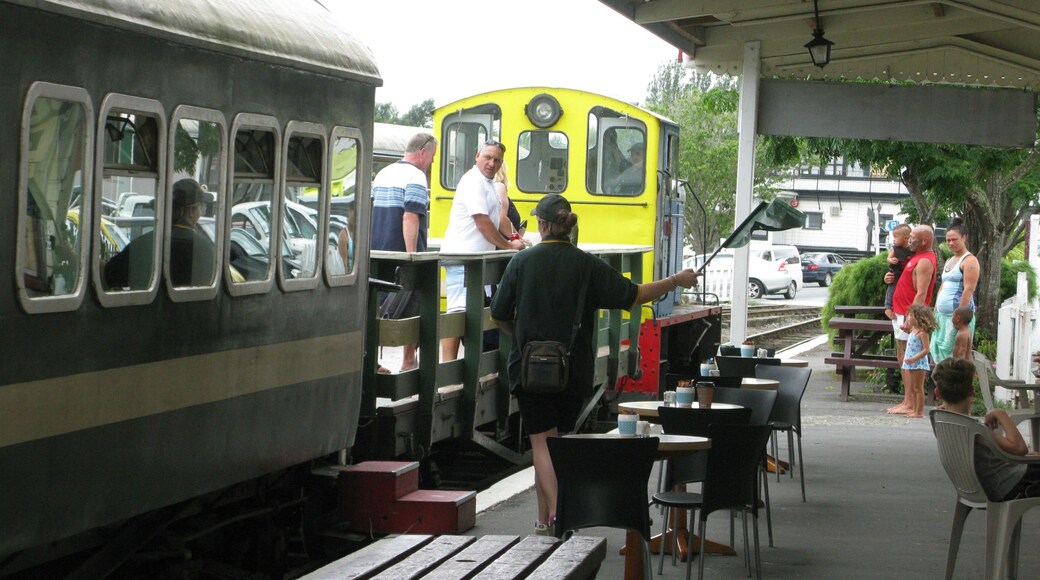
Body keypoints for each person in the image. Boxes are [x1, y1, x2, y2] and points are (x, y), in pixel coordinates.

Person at [489, 193, 700, 535]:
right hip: (574, 369)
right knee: (557, 444)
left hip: (530, 370)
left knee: (542, 445)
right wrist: (675, 280)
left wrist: (523, 337)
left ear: (541, 225)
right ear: (568, 226)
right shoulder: (586, 264)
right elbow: (635, 294)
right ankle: (543, 521)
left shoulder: (521, 262)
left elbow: (499, 314)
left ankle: (559, 516)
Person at [440, 140, 525, 361]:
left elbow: (498, 219)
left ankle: (469, 366)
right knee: (458, 312)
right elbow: (482, 222)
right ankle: (448, 366)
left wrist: (516, 238)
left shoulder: (488, 184)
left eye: (497, 160)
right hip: (463, 258)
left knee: (473, 312)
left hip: (477, 262)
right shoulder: (472, 181)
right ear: (477, 156)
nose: (491, 163)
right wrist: (508, 246)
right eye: (487, 157)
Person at [370, 133, 437, 372]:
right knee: (413, 307)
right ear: (423, 152)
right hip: (402, 255)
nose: (432, 162)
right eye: (432, 156)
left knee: (376, 307)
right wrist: (412, 256)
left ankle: (373, 362)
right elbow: (410, 216)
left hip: (378, 253)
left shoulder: (383, 173)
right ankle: (408, 361)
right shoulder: (416, 176)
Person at [932, 358, 1040, 501]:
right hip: (1013, 485)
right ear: (971, 391)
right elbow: (1020, 448)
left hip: (986, 486)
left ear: (937, 393)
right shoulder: (973, 429)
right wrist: (1000, 413)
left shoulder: (942, 420)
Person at [104, 178, 215, 289]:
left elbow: (108, 275)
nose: (200, 213)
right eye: (201, 208)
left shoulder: (143, 244)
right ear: (191, 211)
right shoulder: (207, 248)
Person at [885, 224, 937, 415]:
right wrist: (888, 278)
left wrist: (911, 317)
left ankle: (911, 403)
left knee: (908, 358)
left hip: (907, 314)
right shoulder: (915, 257)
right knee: (902, 356)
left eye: (913, 237)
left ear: (924, 241)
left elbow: (921, 292)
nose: (909, 240)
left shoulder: (924, 261)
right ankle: (907, 401)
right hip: (900, 311)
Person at [930, 218, 979, 363]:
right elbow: (942, 286)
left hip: (957, 318)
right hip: (942, 316)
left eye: (954, 239)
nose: (951, 243)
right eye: (948, 240)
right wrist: (935, 311)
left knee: (956, 358)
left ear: (964, 238)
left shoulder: (969, 260)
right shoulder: (949, 260)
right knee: (940, 359)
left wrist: (959, 317)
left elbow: (968, 289)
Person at [898, 304, 937, 418]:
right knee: (912, 388)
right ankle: (914, 409)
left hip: (918, 363)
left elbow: (926, 350)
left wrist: (914, 358)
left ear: (919, 318)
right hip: (910, 363)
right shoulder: (913, 330)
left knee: (918, 388)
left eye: (911, 316)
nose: (908, 318)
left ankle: (919, 411)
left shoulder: (922, 332)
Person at [884, 223, 913, 320]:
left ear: (905, 238)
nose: (894, 239)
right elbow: (888, 258)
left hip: (905, 276)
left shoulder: (912, 250)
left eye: (896, 237)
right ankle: (888, 306)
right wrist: (891, 260)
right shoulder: (894, 249)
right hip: (895, 272)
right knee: (892, 287)